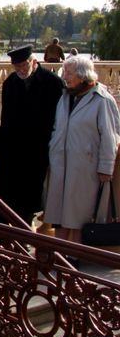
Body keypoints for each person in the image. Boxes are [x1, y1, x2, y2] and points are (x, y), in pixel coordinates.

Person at [44, 57, 120, 263]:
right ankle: (58, 255)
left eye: (68, 73)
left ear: (83, 75)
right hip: (61, 164)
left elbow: (110, 136)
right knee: (59, 215)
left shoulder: (101, 99)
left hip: (85, 167)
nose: (64, 77)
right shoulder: (66, 97)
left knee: (78, 215)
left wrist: (106, 167)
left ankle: (73, 257)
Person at [0, 45, 64, 225]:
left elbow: (59, 120)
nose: (21, 70)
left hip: (37, 151)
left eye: (24, 65)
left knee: (29, 200)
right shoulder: (10, 83)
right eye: (17, 67)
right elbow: (6, 120)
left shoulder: (52, 83)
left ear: (34, 61)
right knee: (5, 197)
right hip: (12, 151)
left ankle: (22, 236)